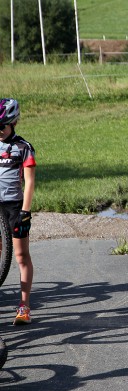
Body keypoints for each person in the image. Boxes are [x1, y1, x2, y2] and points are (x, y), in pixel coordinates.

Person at [0, 98, 36, 325]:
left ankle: (24, 306)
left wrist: (25, 210)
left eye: (1, 127)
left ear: (13, 123)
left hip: (14, 206)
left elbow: (30, 182)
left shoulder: (24, 147)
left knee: (21, 256)